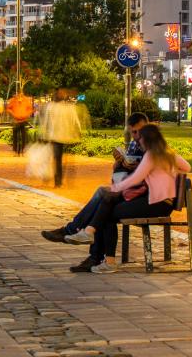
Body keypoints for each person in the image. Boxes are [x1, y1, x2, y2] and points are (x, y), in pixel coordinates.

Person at [62, 124, 190, 273]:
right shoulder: (168, 153)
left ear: (147, 140)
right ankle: (91, 236)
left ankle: (101, 252)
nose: (138, 142)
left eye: (140, 138)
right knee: (108, 203)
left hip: (155, 204)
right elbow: (187, 167)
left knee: (107, 211)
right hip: (163, 204)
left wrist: (114, 188)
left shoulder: (150, 155)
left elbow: (134, 179)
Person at [41, 112, 149, 272]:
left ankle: (76, 235)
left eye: (139, 131)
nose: (136, 135)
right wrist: (119, 161)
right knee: (103, 199)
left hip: (140, 195)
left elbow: (148, 173)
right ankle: (95, 255)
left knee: (103, 200)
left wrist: (134, 168)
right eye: (133, 132)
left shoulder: (152, 145)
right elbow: (119, 171)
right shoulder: (134, 144)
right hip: (128, 188)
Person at [39, 88, 82, 187]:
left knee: (56, 158)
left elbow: (45, 122)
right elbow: (76, 121)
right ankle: (57, 181)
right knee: (58, 158)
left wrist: (43, 134)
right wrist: (78, 132)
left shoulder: (52, 107)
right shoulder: (69, 107)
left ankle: (54, 179)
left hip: (55, 136)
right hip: (64, 136)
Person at [7, 92, 34, 156]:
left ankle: (23, 150)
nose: (20, 94)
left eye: (21, 93)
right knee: (15, 137)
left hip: (24, 121)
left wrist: (26, 115)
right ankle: (16, 151)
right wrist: (14, 115)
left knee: (23, 136)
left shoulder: (26, 100)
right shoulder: (13, 100)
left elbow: (30, 109)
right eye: (19, 93)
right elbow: (8, 108)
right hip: (16, 121)